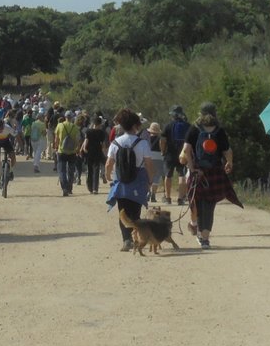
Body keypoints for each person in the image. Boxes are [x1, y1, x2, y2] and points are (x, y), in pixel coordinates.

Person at [181, 103, 243, 249]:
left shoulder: (194, 129)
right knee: (209, 205)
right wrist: (229, 163)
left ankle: (199, 231)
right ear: (214, 114)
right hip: (215, 172)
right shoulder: (219, 131)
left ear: (200, 114)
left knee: (197, 202)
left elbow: (186, 150)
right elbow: (227, 150)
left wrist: (191, 167)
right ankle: (205, 238)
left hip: (198, 172)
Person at [105, 108, 159, 251]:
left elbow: (109, 164)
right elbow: (149, 165)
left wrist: (108, 176)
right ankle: (136, 238)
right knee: (135, 213)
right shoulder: (142, 143)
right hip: (139, 181)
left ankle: (126, 240)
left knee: (123, 212)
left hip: (121, 180)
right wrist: (150, 180)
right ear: (136, 125)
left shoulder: (115, 143)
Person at [160, 105, 190, 205]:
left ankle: (168, 198)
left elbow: (163, 140)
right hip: (183, 154)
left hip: (170, 154)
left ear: (172, 115)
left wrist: (163, 151)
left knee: (168, 175)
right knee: (182, 175)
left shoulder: (168, 126)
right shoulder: (187, 126)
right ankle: (180, 199)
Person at [53, 113, 80, 196]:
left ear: (65, 117)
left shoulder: (60, 125)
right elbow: (77, 140)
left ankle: (64, 188)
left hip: (62, 151)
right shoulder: (75, 127)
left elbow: (56, 139)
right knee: (71, 171)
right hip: (72, 152)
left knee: (62, 170)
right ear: (72, 118)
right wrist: (77, 149)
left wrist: (56, 148)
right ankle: (69, 188)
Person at [81, 115, 108, 194]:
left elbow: (86, 141)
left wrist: (84, 148)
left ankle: (90, 187)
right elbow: (103, 144)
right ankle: (95, 188)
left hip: (89, 152)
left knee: (89, 169)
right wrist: (104, 152)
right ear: (100, 124)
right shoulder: (101, 132)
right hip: (98, 152)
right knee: (96, 169)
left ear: (93, 123)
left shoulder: (88, 131)